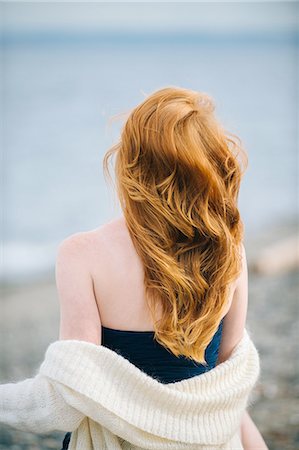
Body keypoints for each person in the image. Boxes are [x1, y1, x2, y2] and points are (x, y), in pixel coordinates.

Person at [0, 86, 268, 450]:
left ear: (130, 164)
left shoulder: (82, 254)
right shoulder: (229, 252)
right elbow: (228, 387)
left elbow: (66, 401)